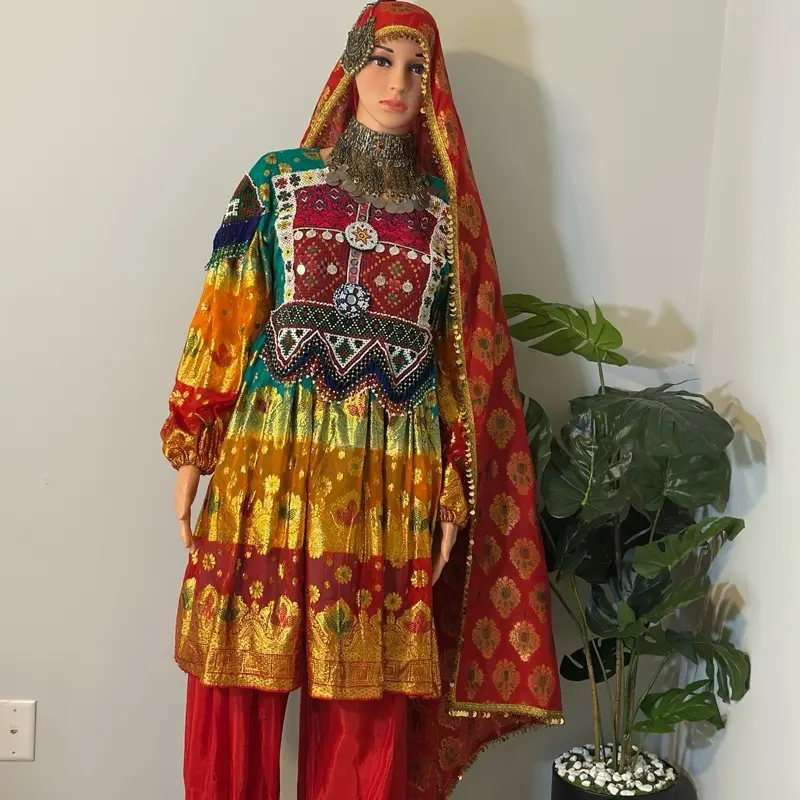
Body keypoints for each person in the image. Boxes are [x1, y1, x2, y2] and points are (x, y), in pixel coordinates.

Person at [160, 2, 563, 798]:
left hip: (386, 485)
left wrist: (450, 490)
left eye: (417, 67)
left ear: (433, 88)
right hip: (266, 466)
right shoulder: (276, 180)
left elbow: (457, 370)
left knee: (362, 708)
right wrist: (193, 439)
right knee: (234, 687)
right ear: (350, 66)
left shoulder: (445, 220)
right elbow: (226, 313)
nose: (397, 82)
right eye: (381, 60)